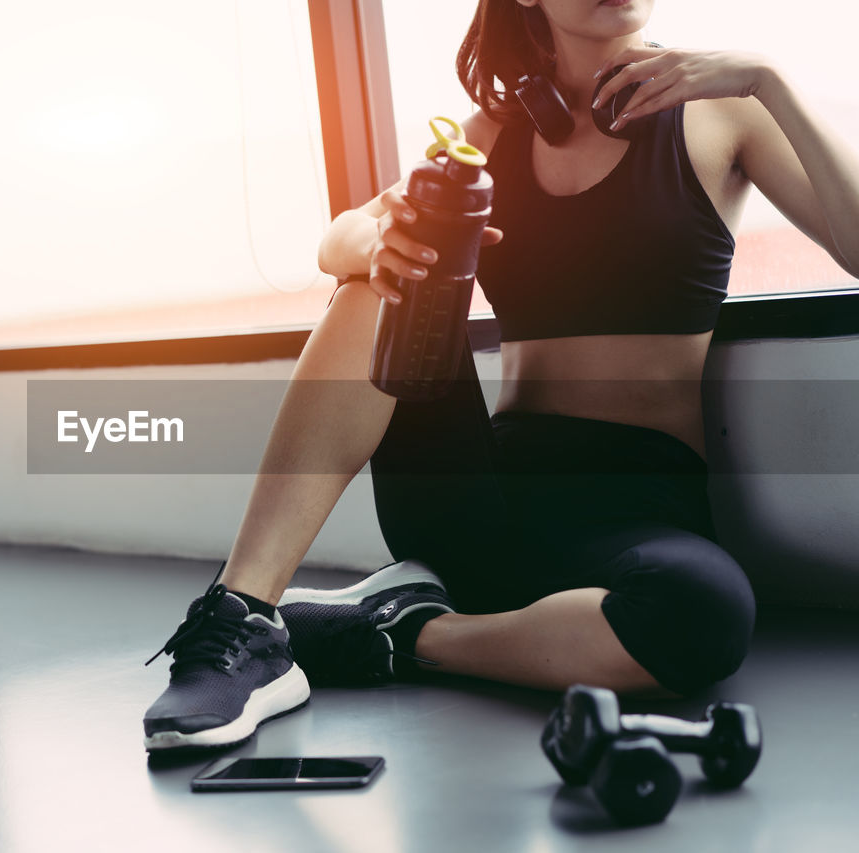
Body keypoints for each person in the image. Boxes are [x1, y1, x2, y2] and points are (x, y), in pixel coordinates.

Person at [142, 0, 859, 753]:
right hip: (475, 497)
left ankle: (398, 631)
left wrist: (770, 80)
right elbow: (341, 237)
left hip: (635, 511)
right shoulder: (491, 135)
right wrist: (377, 245)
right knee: (383, 277)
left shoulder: (723, 113)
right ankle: (246, 614)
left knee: (703, 614)